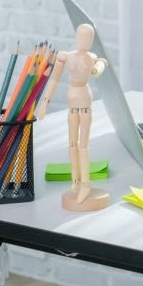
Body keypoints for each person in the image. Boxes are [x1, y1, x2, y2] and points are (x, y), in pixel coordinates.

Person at [35, 23, 111, 211]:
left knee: (83, 145)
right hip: (72, 105)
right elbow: (54, 79)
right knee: (71, 144)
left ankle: (85, 183)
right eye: (81, 36)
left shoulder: (92, 58)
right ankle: (76, 181)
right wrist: (45, 101)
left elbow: (101, 63)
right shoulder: (66, 56)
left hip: (85, 104)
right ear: (77, 37)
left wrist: (97, 68)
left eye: (88, 38)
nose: (84, 41)